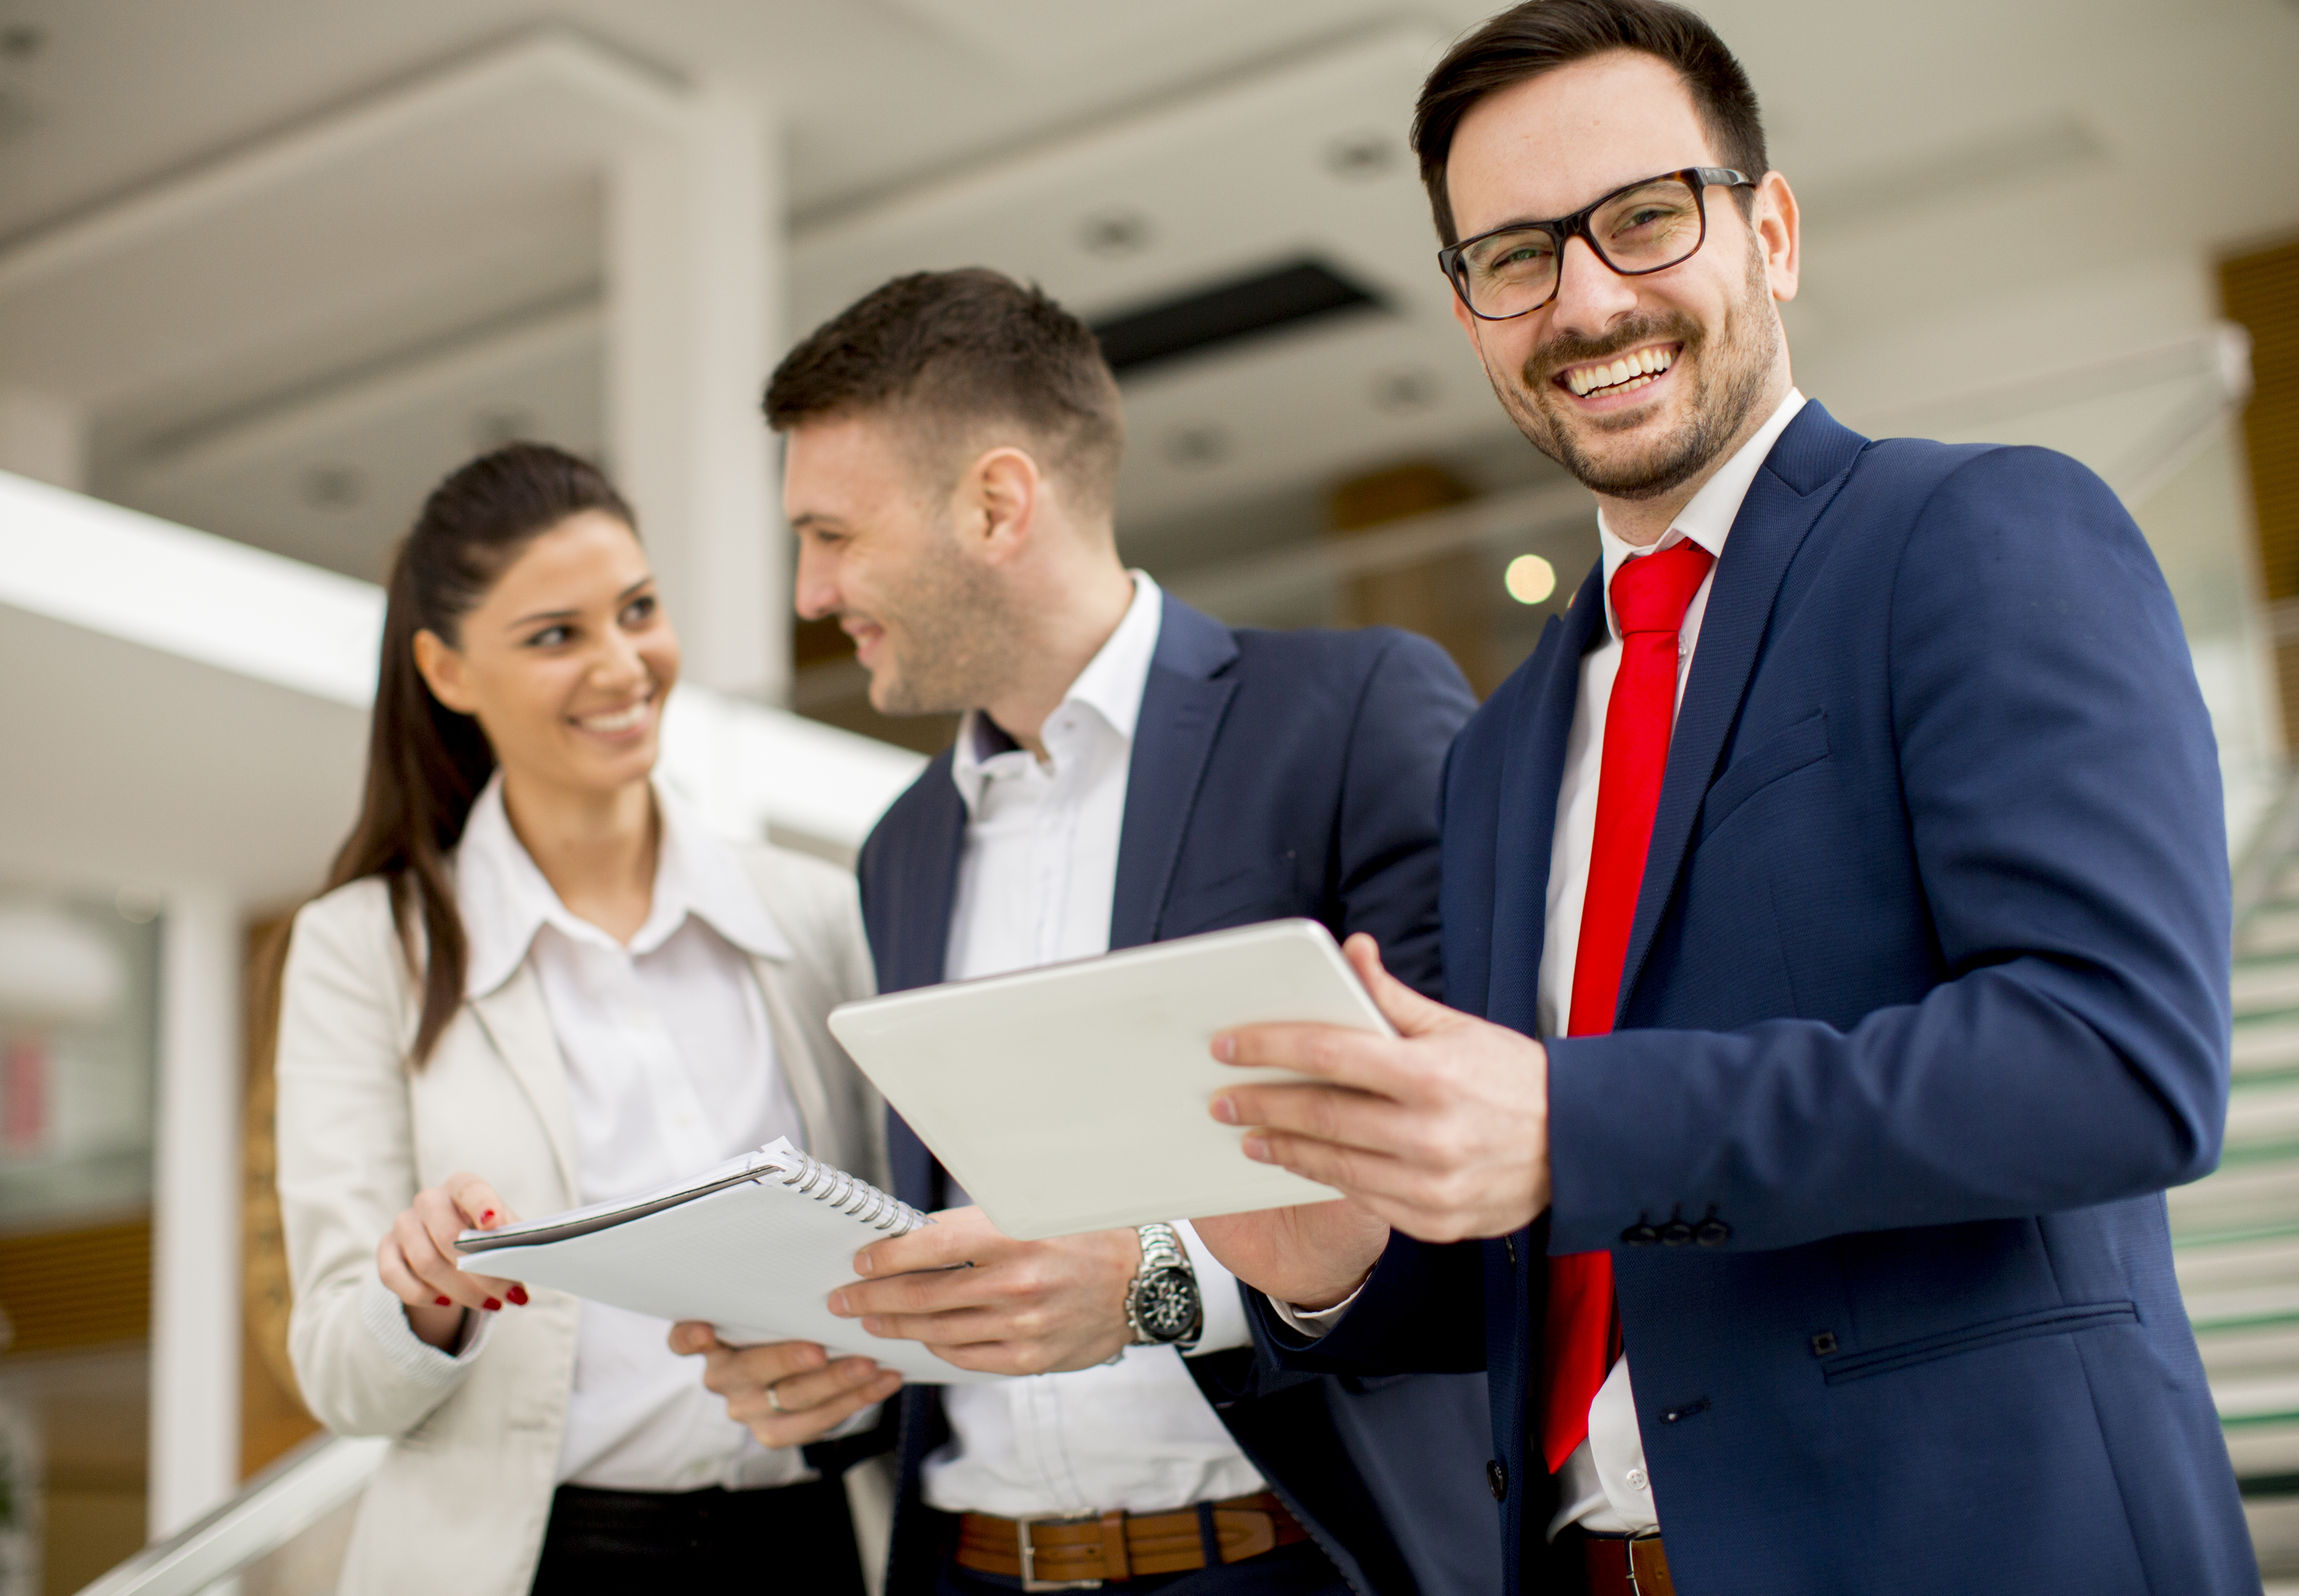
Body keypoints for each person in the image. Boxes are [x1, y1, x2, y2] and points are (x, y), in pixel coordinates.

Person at [1193, 2, 2258, 1593]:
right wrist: (1340, 1264)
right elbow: (1560, 1247)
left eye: (1642, 220)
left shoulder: (1977, 535)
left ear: (1771, 231)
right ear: (1474, 315)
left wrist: (1569, 1119)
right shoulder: (1502, 752)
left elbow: (2120, 1062)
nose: (1588, 298)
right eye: (1515, 259)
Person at [671, 268, 1497, 1596]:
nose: (811, 592)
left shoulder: (1347, 719)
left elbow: (1476, 1201)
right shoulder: (903, 847)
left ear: (998, 503)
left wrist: (1150, 1284)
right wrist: (863, 1359)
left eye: (833, 535)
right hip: (969, 1567)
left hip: (1283, 1560)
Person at [274, 443, 887, 1596]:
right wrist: (423, 1299)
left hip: (813, 1543)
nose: (622, 665)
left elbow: (902, 1240)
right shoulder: (366, 948)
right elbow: (340, 1377)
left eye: (639, 612)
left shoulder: (811, 913)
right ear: (447, 671)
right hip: (542, 1561)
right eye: (556, 635)